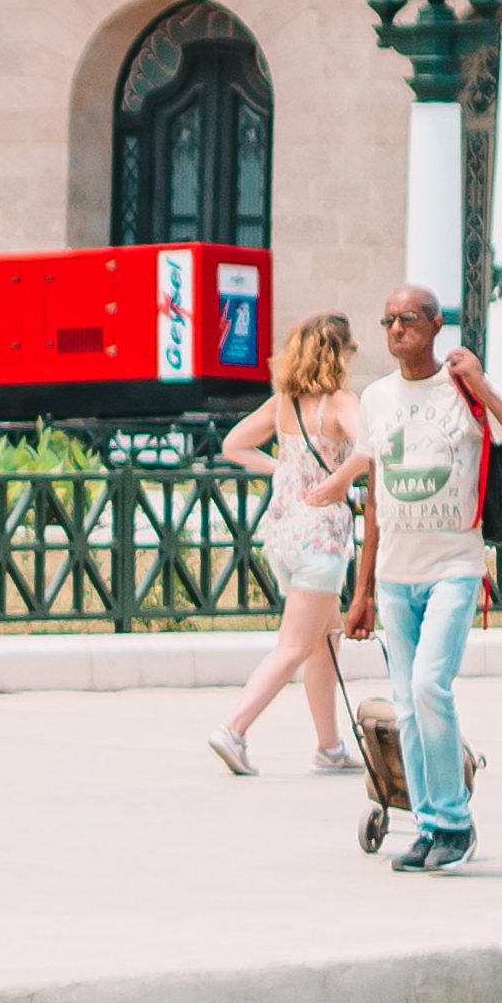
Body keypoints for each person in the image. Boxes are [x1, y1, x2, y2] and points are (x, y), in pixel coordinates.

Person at [305, 283, 502, 872]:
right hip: (395, 574)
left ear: (435, 324)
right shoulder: (376, 398)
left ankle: (455, 820)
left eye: (409, 318)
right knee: (407, 702)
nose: (397, 328)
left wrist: (484, 382)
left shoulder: (463, 390)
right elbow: (377, 500)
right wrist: (362, 591)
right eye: (388, 319)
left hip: (454, 566)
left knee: (428, 686)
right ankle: (427, 825)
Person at [209, 311, 367, 777]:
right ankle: (234, 730)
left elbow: (234, 446)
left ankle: (329, 746)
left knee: (327, 638)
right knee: (296, 645)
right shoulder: (340, 403)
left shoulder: (284, 403)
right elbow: (369, 446)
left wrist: (281, 471)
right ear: (337, 355)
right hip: (321, 538)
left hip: (283, 535)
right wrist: (339, 483)